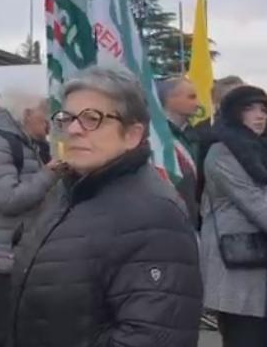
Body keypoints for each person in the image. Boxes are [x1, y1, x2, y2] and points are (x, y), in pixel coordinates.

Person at [12, 66, 202, 347]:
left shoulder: (154, 214)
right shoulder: (69, 191)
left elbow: (151, 336)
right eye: (67, 118)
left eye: (92, 118)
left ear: (132, 135)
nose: (73, 130)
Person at [0, 88, 58, 346]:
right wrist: (50, 174)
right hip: (0, 259)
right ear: (27, 113)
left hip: (23, 254)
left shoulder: (27, 143)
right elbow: (7, 199)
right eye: (44, 111)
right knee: (0, 335)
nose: (48, 119)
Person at [200, 85, 267, 346]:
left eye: (263, 109)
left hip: (257, 263)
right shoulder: (223, 151)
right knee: (245, 337)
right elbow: (255, 202)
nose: (259, 116)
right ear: (232, 113)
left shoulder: (258, 149)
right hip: (237, 265)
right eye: (249, 109)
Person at [158, 77, 202, 227]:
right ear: (170, 99)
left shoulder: (193, 136)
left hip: (192, 216)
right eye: (191, 97)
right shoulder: (156, 137)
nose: (198, 104)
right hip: (167, 218)